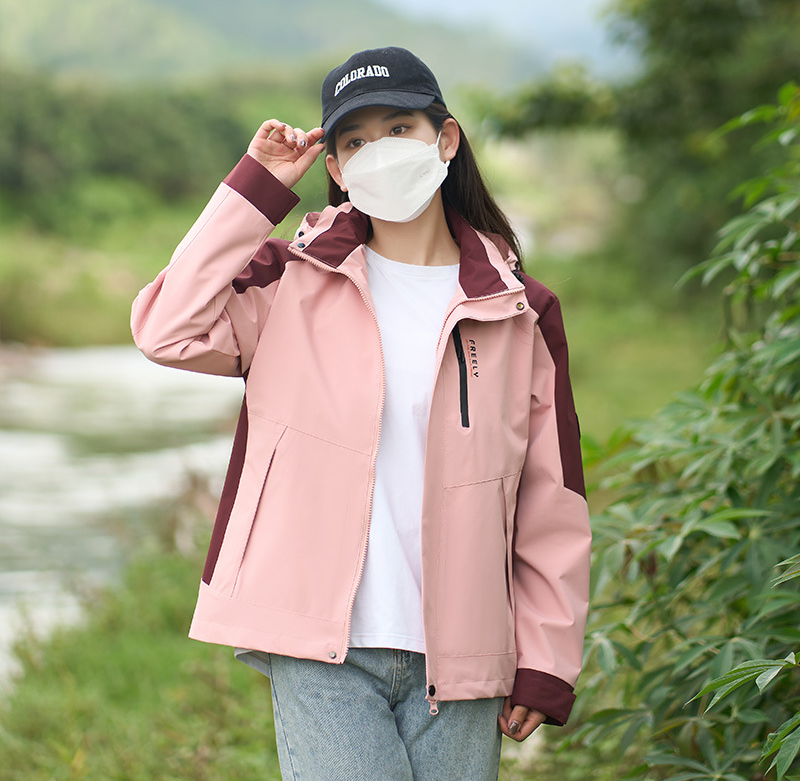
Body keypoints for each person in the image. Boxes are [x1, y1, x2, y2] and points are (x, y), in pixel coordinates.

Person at [132, 46, 591, 781]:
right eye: (354, 141)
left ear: (445, 141)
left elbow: (552, 499)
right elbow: (166, 328)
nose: (379, 152)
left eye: (399, 129)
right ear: (337, 170)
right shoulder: (291, 281)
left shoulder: (520, 311)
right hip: (321, 647)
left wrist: (547, 659)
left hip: (465, 659)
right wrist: (255, 191)